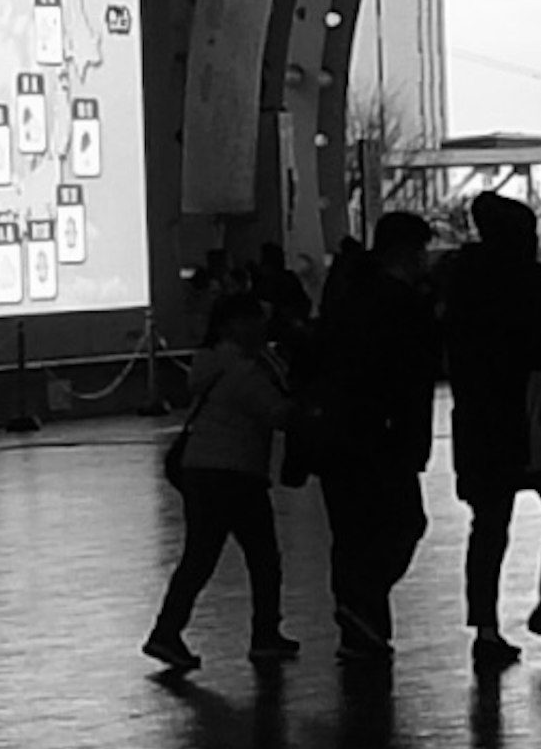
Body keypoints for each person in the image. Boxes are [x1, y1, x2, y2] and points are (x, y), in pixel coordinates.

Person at [440, 191, 541, 661]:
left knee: (489, 524)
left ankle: (485, 628)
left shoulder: (459, 281)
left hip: (480, 421)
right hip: (535, 420)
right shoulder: (529, 285)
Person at [144, 288, 300, 678]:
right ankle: (264, 635)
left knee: (199, 558)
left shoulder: (210, 364)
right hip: (237, 473)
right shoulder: (244, 371)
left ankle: (168, 631)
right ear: (235, 324)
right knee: (263, 558)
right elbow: (277, 412)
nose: (262, 325)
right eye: (254, 318)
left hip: (203, 469)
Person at [311, 211, 442, 655]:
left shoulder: (347, 291)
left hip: (338, 432)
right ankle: (362, 607)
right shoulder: (398, 303)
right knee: (403, 522)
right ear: (406, 252)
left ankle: (361, 624)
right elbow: (411, 374)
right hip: (383, 435)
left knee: (352, 532)